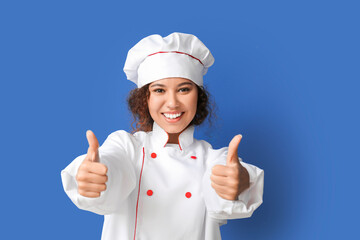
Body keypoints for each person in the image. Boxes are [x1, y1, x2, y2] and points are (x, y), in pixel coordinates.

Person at [61, 32, 264, 240]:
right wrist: (94, 175)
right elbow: (112, 164)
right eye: (159, 90)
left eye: (184, 89)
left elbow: (225, 180)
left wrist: (240, 181)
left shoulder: (211, 158)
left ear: (198, 96)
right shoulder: (126, 147)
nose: (172, 103)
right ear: (144, 99)